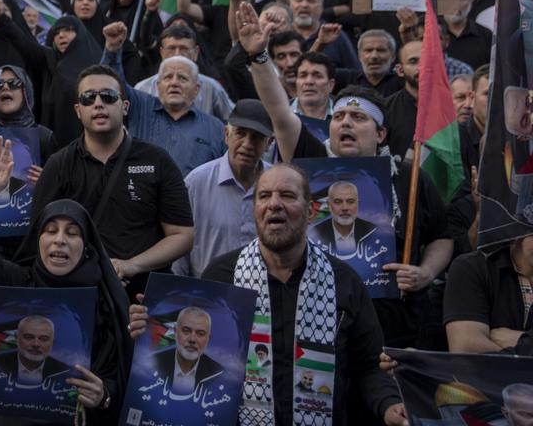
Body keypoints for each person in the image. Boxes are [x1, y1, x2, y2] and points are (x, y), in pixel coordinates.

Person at [239, 0, 453, 352]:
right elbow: (279, 111)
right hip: (317, 317)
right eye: (338, 118)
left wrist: (426, 273)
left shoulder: (407, 177)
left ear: (380, 134)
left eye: (358, 119)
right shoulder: (310, 160)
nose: (345, 124)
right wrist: (259, 57)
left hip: (393, 323)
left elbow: (442, 235)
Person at [131, 164, 408, 426]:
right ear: (256, 210)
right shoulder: (221, 277)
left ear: (311, 212)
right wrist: (147, 328)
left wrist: (389, 405)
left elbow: (369, 366)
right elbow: (194, 354)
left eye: (287, 195)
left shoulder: (344, 281)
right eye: (264, 196)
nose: (274, 204)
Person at [0, 137, 131, 423]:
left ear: (87, 246)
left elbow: (120, 377)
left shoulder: (106, 301)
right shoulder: (17, 283)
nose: (59, 241)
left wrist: (104, 395)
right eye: (50, 230)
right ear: (38, 240)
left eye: (72, 233)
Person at [19, 64, 193, 294]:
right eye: (89, 98)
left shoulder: (157, 160)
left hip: (143, 296)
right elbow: (41, 239)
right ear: (78, 110)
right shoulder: (58, 164)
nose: (98, 103)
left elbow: (182, 236)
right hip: (80, 293)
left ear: (125, 106)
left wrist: (130, 265)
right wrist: (89, 273)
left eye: (109, 96)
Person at [102, 23, 227, 176]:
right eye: (168, 77)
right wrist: (112, 51)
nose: (174, 82)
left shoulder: (215, 129)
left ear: (196, 89)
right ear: (158, 85)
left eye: (182, 78)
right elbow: (112, 85)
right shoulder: (141, 110)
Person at [174, 99, 274, 277]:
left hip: (263, 295)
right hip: (209, 294)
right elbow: (179, 249)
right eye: (240, 134)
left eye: (257, 137)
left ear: (269, 142)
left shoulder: (277, 183)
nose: (247, 144)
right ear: (227, 134)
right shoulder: (197, 183)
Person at [443, 234, 533, 354]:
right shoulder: (474, 267)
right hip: (487, 373)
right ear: (519, 230)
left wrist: (524, 341)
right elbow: (467, 350)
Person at [133, 24, 234, 121]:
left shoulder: (211, 88)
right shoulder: (142, 89)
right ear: (162, 53)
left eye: (184, 49)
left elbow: (232, 120)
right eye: (171, 48)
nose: (177, 54)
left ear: (196, 53)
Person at [150, 307, 225, 400]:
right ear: (175, 332)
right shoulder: (152, 363)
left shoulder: (219, 374)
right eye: (186, 330)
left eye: (200, 333)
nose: (192, 339)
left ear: (208, 339)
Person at [0, 314, 72, 389]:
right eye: (28, 337)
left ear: (52, 343)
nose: (36, 344)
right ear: (17, 339)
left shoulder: (64, 372)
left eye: (43, 339)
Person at [311, 181, 379, 260]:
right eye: (338, 202)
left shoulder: (373, 231)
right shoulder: (315, 233)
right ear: (329, 205)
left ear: (358, 204)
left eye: (350, 202)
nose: (345, 208)